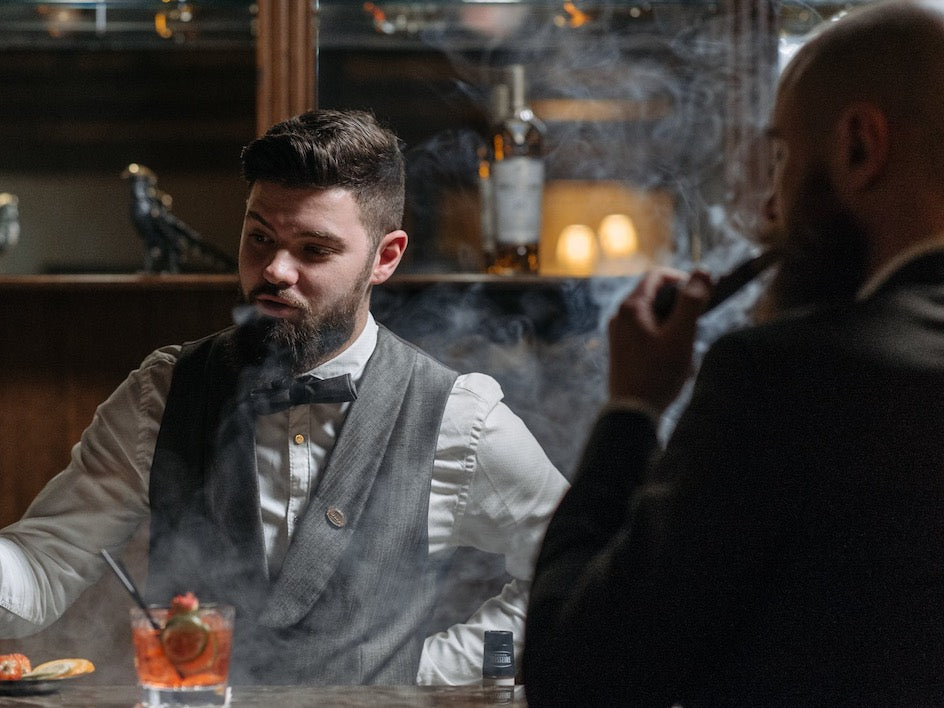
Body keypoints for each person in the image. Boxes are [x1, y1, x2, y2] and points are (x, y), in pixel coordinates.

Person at [0, 109, 568, 685]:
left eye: (314, 250)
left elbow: (575, 570)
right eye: (260, 238)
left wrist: (431, 671)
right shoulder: (162, 393)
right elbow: (42, 567)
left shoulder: (457, 418)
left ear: (385, 257)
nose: (274, 270)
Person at [523, 1, 944, 705]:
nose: (770, 210)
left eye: (781, 155)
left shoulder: (786, 376)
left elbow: (579, 673)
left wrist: (631, 407)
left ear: (859, 146)